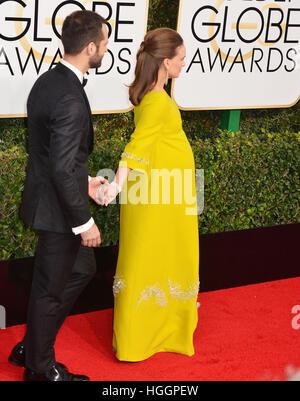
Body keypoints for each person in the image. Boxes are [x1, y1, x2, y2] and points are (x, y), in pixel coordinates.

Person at [8, 10, 108, 381]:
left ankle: (32, 346)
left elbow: (54, 156)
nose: (107, 48)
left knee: (81, 269)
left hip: (52, 199)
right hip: (59, 211)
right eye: (105, 42)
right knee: (50, 290)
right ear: (91, 46)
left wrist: (86, 181)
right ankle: (39, 368)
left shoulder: (47, 82)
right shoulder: (67, 96)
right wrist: (84, 222)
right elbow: (61, 168)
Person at [96, 28, 200, 362]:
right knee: (152, 260)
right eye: (181, 59)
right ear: (166, 61)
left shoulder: (153, 96)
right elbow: (135, 149)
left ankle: (154, 332)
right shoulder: (157, 101)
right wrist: (115, 185)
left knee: (158, 259)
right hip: (159, 200)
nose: (184, 64)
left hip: (163, 196)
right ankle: (140, 338)